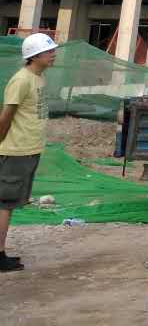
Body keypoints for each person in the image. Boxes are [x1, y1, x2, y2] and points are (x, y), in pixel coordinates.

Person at [0, 33, 58, 272]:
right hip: (15, 150)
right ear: (34, 56)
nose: (53, 54)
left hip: (29, 149)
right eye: (49, 51)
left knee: (10, 203)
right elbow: (6, 116)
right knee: (4, 203)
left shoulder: (38, 78)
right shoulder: (21, 80)